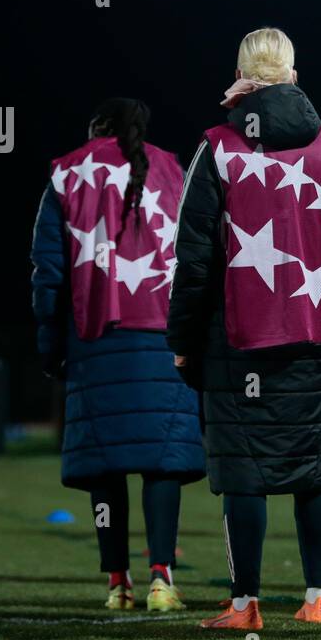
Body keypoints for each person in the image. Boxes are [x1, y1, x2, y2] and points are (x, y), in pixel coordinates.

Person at [168, 27, 321, 631]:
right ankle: (319, 597)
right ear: (294, 74)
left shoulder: (218, 147)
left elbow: (194, 256)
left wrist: (181, 339)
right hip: (314, 328)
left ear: (243, 75)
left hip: (239, 333)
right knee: (316, 467)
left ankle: (246, 604)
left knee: (244, 471)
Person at [30, 97, 203, 611]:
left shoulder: (66, 172)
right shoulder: (174, 168)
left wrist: (49, 344)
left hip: (95, 335)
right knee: (162, 463)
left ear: (96, 129)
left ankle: (116, 583)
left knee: (104, 467)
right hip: (164, 335)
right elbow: (200, 252)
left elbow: (48, 271)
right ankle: (162, 578)